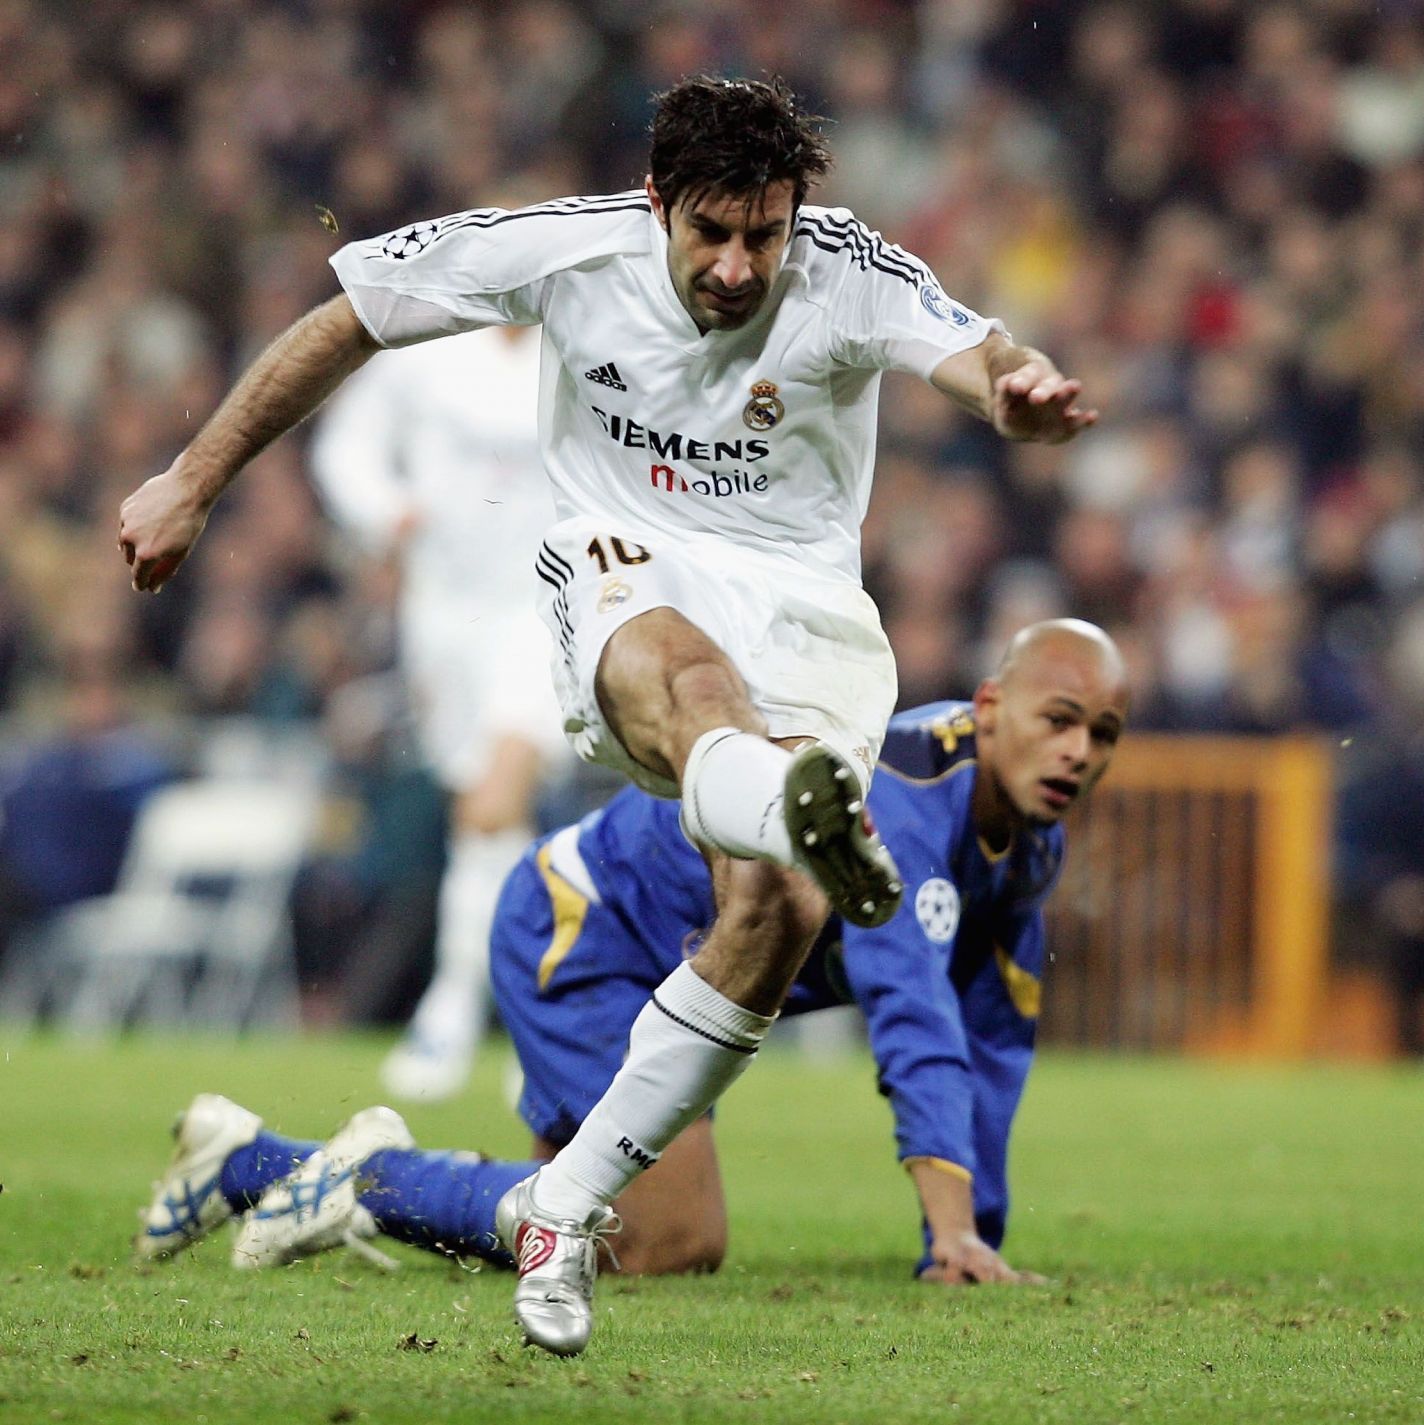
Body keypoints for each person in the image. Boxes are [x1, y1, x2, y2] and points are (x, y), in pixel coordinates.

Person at [116, 75, 1098, 1354]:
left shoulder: (852, 269)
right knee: (690, 686)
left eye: (766, 234)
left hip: (808, 617)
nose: (741, 266)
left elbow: (978, 352)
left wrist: (1017, 392)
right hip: (629, 568)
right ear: (657, 205)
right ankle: (786, 808)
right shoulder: (567, 246)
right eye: (712, 235)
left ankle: (562, 1206)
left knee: (783, 912)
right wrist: (194, 480)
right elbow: (351, 314)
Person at [136, 622, 1130, 1321]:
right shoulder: (909, 794)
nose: (1079, 753)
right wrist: (951, 1231)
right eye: (1060, 719)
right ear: (992, 706)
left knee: (584, 1222)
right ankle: (329, 1176)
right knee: (664, 1244)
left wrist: (964, 1238)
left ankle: (250, 1164)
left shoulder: (1028, 841)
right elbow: (916, 1020)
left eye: (1104, 736)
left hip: (678, 971)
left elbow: (992, 1041)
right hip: (589, 933)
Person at [309, 318, 568, 1102]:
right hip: (442, 614)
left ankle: (453, 1006)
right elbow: (344, 445)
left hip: (544, 606)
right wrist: (386, 511)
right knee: (479, 814)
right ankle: (524, 1019)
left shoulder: (583, 350)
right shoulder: (427, 356)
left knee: (497, 797)